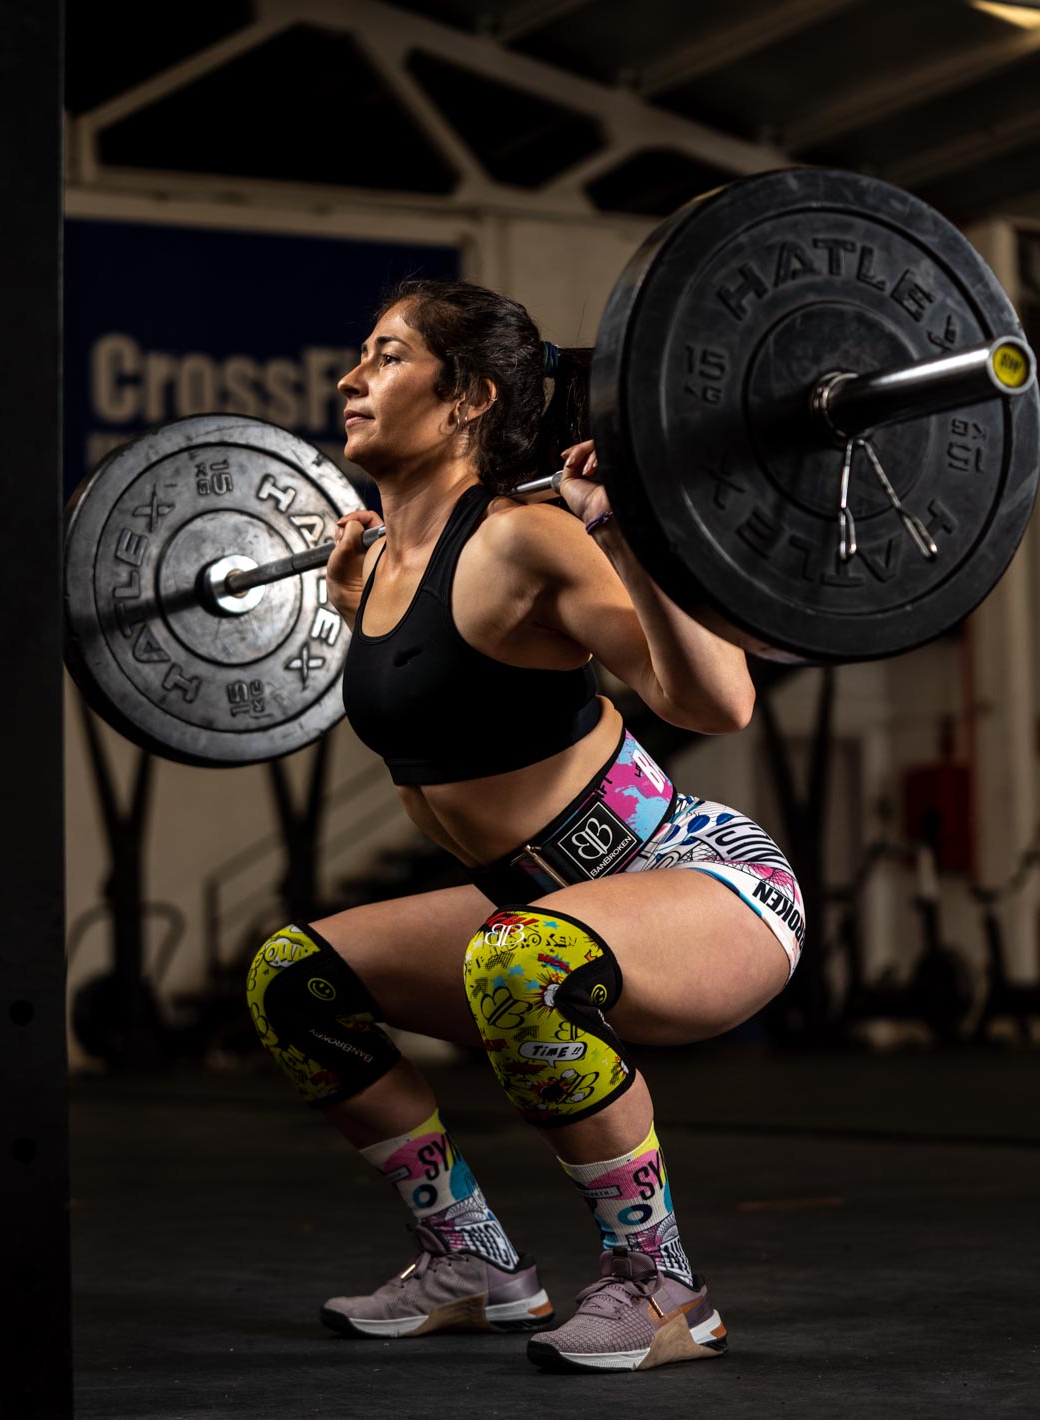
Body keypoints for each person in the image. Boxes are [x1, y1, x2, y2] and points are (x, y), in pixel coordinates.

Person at [246, 279, 804, 1374]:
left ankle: (662, 1287)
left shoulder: (527, 538)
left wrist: (632, 537)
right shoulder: (381, 565)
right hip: (538, 898)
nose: (352, 377)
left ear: (469, 399)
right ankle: (472, 1259)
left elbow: (719, 703)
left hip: (705, 879)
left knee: (519, 963)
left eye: (388, 356)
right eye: (360, 354)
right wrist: (354, 608)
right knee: (294, 981)